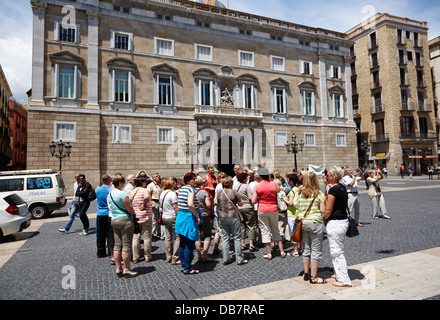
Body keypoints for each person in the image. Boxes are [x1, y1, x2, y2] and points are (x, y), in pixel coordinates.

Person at [294, 172, 326, 284]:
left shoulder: (300, 192)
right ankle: (314, 277)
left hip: (303, 223)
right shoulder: (319, 193)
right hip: (315, 222)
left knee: (306, 249)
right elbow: (323, 211)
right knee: (316, 250)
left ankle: (306, 273)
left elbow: (295, 205)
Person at [324, 166, 352, 287]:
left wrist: (324, 218)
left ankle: (344, 279)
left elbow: (328, 209)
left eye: (329, 174)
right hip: (343, 221)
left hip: (335, 222)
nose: (327, 176)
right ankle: (338, 273)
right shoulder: (342, 188)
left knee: (336, 252)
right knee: (338, 249)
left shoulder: (333, 190)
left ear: (333, 176)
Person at [252, 167, 286, 260]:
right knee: (276, 229)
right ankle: (282, 251)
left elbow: (254, 201)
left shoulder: (257, 186)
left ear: (260, 176)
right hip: (274, 209)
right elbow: (279, 194)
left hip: (262, 209)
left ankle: (269, 253)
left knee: (265, 230)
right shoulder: (274, 184)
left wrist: (260, 198)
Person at [108, 173, 138, 278]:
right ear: (120, 183)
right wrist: (134, 212)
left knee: (117, 245)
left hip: (114, 219)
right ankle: (126, 268)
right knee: (126, 245)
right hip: (125, 220)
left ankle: (118, 268)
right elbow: (130, 209)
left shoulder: (110, 194)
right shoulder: (122, 194)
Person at [216, 176, 248, 265]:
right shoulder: (234, 192)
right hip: (233, 216)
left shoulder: (219, 193)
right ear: (231, 184)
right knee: (237, 238)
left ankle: (226, 259)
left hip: (222, 216)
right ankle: (239, 259)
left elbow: (218, 203)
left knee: (225, 238)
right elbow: (241, 204)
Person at [175, 172, 201, 274]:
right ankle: (187, 267)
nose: (195, 181)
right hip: (189, 217)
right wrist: (197, 216)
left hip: (181, 216)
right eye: (193, 179)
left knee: (182, 243)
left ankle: (183, 265)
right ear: (187, 181)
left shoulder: (181, 189)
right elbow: (190, 204)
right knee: (189, 244)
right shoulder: (190, 190)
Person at [130, 177, 153, 263]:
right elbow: (147, 197)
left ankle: (135, 257)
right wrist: (144, 204)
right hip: (146, 216)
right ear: (143, 183)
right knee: (147, 237)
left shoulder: (132, 191)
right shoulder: (144, 190)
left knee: (136, 237)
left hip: (136, 216)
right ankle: (147, 256)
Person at [234, 172, 257, 252]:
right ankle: (251, 244)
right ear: (244, 178)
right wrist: (255, 194)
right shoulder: (247, 186)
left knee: (242, 226)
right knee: (251, 226)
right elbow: (250, 197)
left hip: (239, 208)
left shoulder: (235, 186)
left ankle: (242, 243)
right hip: (248, 207)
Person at [194, 177, 215, 263]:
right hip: (204, 215)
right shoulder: (203, 192)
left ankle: (199, 256)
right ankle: (205, 255)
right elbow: (208, 205)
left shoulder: (191, 192)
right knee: (207, 235)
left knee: (197, 236)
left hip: (194, 216)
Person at [160, 178, 180, 265]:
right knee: (178, 237)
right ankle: (175, 257)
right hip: (172, 216)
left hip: (165, 216)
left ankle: (168, 256)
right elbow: (175, 206)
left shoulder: (162, 193)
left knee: (168, 237)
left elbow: (161, 206)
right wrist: (179, 216)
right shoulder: (172, 193)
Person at [95, 174, 114, 259]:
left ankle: (100, 252)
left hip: (100, 213)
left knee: (100, 234)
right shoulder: (111, 189)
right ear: (109, 180)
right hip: (108, 213)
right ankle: (111, 252)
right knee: (110, 234)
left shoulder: (97, 189)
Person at [283, 173, 300, 256]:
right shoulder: (298, 189)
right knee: (298, 231)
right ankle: (301, 248)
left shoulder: (292, 191)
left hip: (292, 213)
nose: (287, 181)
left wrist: (284, 199)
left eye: (288, 179)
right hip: (298, 213)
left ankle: (295, 250)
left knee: (292, 232)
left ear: (291, 181)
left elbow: (291, 203)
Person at [147, 173, 163, 239]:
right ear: (153, 178)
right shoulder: (150, 185)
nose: (158, 177)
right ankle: (153, 232)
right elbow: (148, 195)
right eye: (156, 176)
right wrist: (151, 203)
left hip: (160, 201)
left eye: (159, 176)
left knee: (160, 217)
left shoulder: (160, 185)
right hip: (154, 201)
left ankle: (159, 232)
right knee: (154, 218)